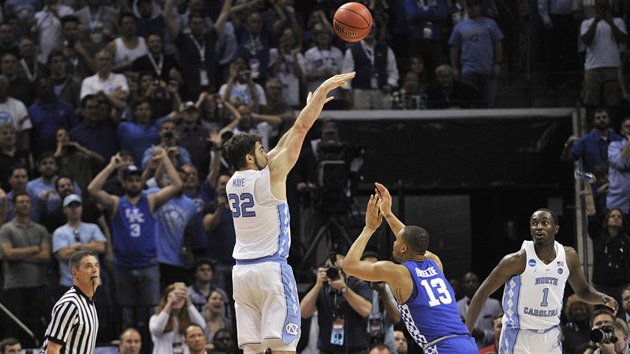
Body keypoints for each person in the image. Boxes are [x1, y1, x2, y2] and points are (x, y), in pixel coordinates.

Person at [222, 72, 355, 354]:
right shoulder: (270, 176)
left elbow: (284, 142)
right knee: (284, 348)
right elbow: (300, 130)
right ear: (249, 157)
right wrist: (319, 97)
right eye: (260, 149)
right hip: (270, 270)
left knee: (253, 349)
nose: (266, 153)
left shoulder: (233, 182)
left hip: (241, 274)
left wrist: (305, 112)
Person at [343, 182, 477, 353]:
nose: (393, 242)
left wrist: (368, 229)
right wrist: (388, 213)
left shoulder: (396, 272)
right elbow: (412, 239)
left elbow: (349, 266)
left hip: (443, 347)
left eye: (396, 241)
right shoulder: (435, 262)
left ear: (403, 248)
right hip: (466, 343)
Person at [465, 208, 619, 353]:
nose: (538, 227)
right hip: (519, 335)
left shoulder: (568, 256)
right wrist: (465, 334)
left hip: (550, 335)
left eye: (544, 223)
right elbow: (483, 291)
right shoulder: (517, 260)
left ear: (556, 229)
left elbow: (583, 291)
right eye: (534, 223)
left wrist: (602, 298)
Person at [0, 192, 51, 347]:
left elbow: (46, 256)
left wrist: (19, 254)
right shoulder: (6, 229)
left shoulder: (40, 229)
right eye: (21, 202)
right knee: (15, 325)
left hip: (37, 283)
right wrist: (35, 249)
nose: (25, 204)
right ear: (14, 206)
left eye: (28, 202)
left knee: (37, 323)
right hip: (14, 285)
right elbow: (7, 254)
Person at [300, 253, 373, 354]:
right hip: (326, 351)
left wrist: (343, 288)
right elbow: (303, 313)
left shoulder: (359, 286)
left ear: (347, 271)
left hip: (356, 351)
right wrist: (317, 286)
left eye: (340, 269)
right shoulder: (321, 288)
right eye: (331, 269)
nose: (336, 273)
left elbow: (366, 310)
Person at [42, 250, 100, 354]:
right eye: (88, 266)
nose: (95, 270)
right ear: (75, 273)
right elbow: (52, 350)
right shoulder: (70, 304)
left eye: (96, 265)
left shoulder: (88, 301)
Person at [149, 282, 206, 354]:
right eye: (174, 296)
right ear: (166, 299)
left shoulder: (188, 319)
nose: (177, 299)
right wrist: (170, 303)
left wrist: (188, 302)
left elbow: (201, 326)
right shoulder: (155, 319)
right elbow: (157, 329)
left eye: (181, 296)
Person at [456, 272, 502, 348]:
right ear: (462, 285)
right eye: (467, 282)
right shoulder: (456, 307)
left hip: (488, 349)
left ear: (479, 284)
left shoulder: (494, 304)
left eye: (474, 281)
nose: (471, 284)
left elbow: (502, 330)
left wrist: (483, 334)